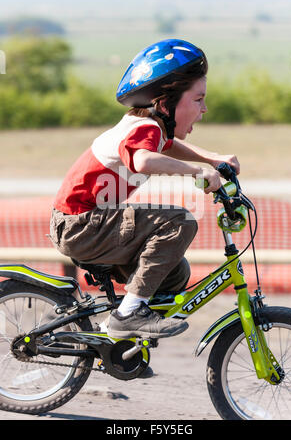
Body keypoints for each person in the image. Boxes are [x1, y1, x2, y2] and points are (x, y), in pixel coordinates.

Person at [50, 38, 240, 341]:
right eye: (198, 99)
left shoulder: (150, 125)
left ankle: (122, 344)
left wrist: (212, 158)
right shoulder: (144, 130)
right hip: (80, 226)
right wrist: (198, 172)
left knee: (174, 273)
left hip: (91, 224)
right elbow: (143, 159)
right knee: (178, 221)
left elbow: (168, 146)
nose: (204, 109)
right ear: (165, 104)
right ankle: (127, 315)